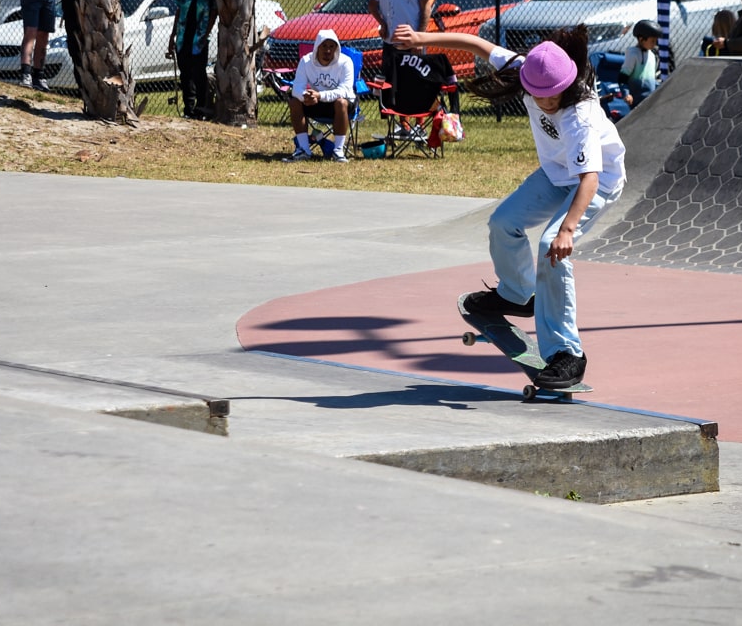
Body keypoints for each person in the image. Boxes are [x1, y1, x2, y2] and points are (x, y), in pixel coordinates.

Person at [393, 23, 626, 390]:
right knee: (503, 222)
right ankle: (517, 295)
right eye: (539, 96)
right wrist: (422, 40)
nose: (546, 102)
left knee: (551, 246)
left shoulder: (578, 114)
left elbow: (590, 179)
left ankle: (567, 353)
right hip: (556, 174)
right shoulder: (526, 69)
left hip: (597, 179)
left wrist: (566, 230)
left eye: (553, 96)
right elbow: (476, 44)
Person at [282, 28, 354, 163]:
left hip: (340, 105)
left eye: (331, 47)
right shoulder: (306, 61)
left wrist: (319, 95)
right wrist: (305, 96)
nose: (328, 51)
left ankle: (338, 151)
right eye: (324, 46)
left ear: (336, 48)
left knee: (341, 102)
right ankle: (303, 149)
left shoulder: (346, 62)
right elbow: (296, 87)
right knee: (294, 102)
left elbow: (344, 90)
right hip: (315, 102)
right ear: (317, 47)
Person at [166, 0, 219, 119]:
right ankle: (188, 108)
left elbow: (214, 11)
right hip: (184, 35)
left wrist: (207, 32)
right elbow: (179, 8)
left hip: (200, 36)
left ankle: (201, 107)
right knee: (185, 73)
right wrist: (173, 35)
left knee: (198, 73)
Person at [618, 19, 660, 106]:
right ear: (641, 39)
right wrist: (626, 94)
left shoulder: (652, 56)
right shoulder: (633, 54)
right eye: (652, 41)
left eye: (656, 41)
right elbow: (622, 78)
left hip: (650, 100)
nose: (655, 44)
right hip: (636, 101)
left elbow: (652, 79)